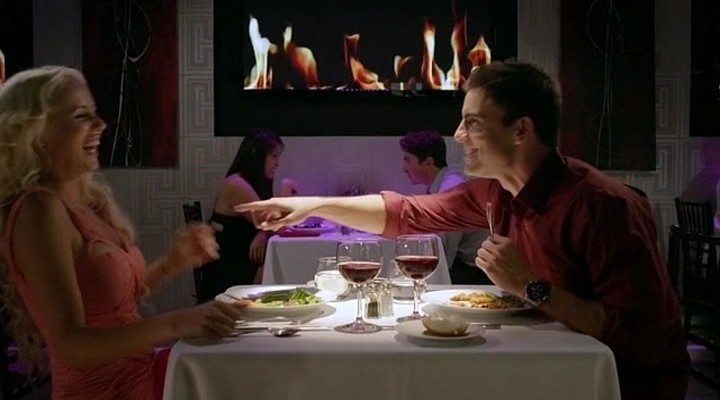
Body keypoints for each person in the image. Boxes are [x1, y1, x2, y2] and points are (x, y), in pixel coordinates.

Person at [236, 60, 690, 399]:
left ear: (521, 130)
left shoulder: (604, 206)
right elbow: (406, 212)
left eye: (472, 123)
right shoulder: (497, 191)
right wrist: (309, 205)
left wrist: (528, 286)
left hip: (613, 385)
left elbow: (645, 339)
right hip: (548, 368)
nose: (457, 135)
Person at [0, 66, 248, 400]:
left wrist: (173, 262)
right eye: (80, 116)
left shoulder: (89, 200)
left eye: (95, 113)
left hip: (142, 374)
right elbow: (72, 344)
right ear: (34, 131)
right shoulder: (38, 210)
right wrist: (180, 322)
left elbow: (115, 304)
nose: (100, 125)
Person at [197, 129, 297, 302]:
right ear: (257, 157)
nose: (278, 163)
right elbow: (275, 223)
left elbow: (267, 223)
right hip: (228, 267)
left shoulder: (249, 182)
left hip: (239, 260)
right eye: (274, 156)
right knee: (283, 268)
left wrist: (262, 233)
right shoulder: (236, 184)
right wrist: (286, 191)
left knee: (278, 264)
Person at [399, 130, 490, 284]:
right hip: (467, 266)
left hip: (474, 273)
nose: (404, 168)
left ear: (428, 162)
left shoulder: (450, 189)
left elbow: (445, 256)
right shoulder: (444, 184)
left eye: (408, 160)